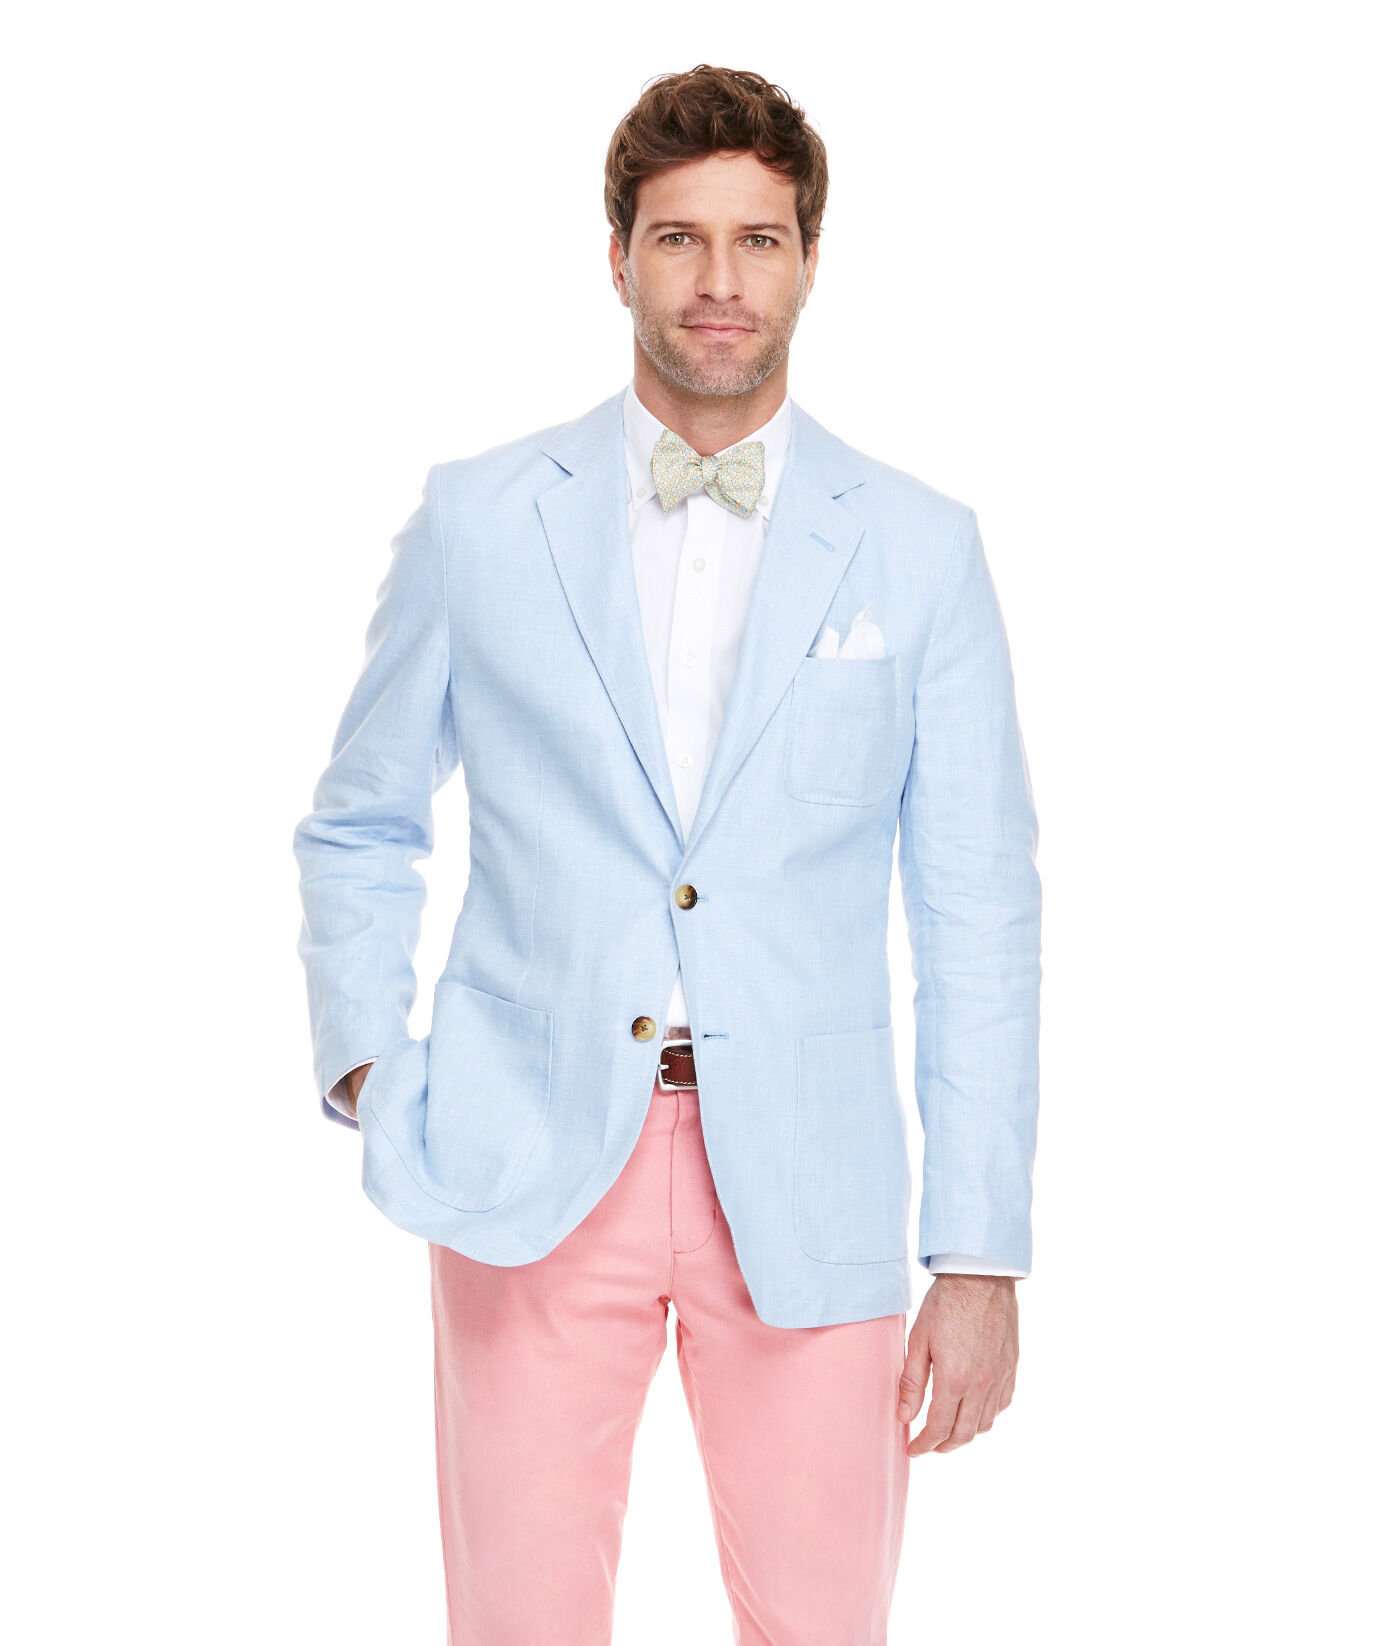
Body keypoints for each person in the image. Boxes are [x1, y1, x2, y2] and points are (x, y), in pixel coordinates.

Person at [293, 62, 1041, 1646]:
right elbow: (361, 816)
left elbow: (978, 911)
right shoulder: (480, 519)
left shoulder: (920, 549)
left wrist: (979, 1251)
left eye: (757, 240)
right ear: (619, 256)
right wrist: (371, 1062)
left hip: (812, 1181)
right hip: (525, 1159)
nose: (718, 280)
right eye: (679, 237)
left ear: (809, 260)